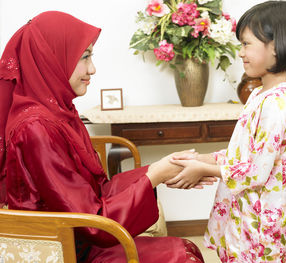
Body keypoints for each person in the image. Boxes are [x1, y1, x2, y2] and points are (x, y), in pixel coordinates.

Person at [0, 11, 205, 263]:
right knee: (183, 256)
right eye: (84, 57)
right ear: (51, 58)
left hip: (77, 237)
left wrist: (159, 170)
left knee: (185, 249)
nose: (92, 69)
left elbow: (92, 194)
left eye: (91, 56)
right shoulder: (37, 127)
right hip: (65, 251)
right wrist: (154, 175)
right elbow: (92, 222)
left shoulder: (57, 112)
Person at [166, 1, 286, 262]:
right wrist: (205, 159)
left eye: (246, 44)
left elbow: (256, 170)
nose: (241, 52)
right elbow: (243, 152)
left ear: (277, 47)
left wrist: (205, 170)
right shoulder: (259, 94)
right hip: (246, 211)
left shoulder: (277, 104)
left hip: (261, 221)